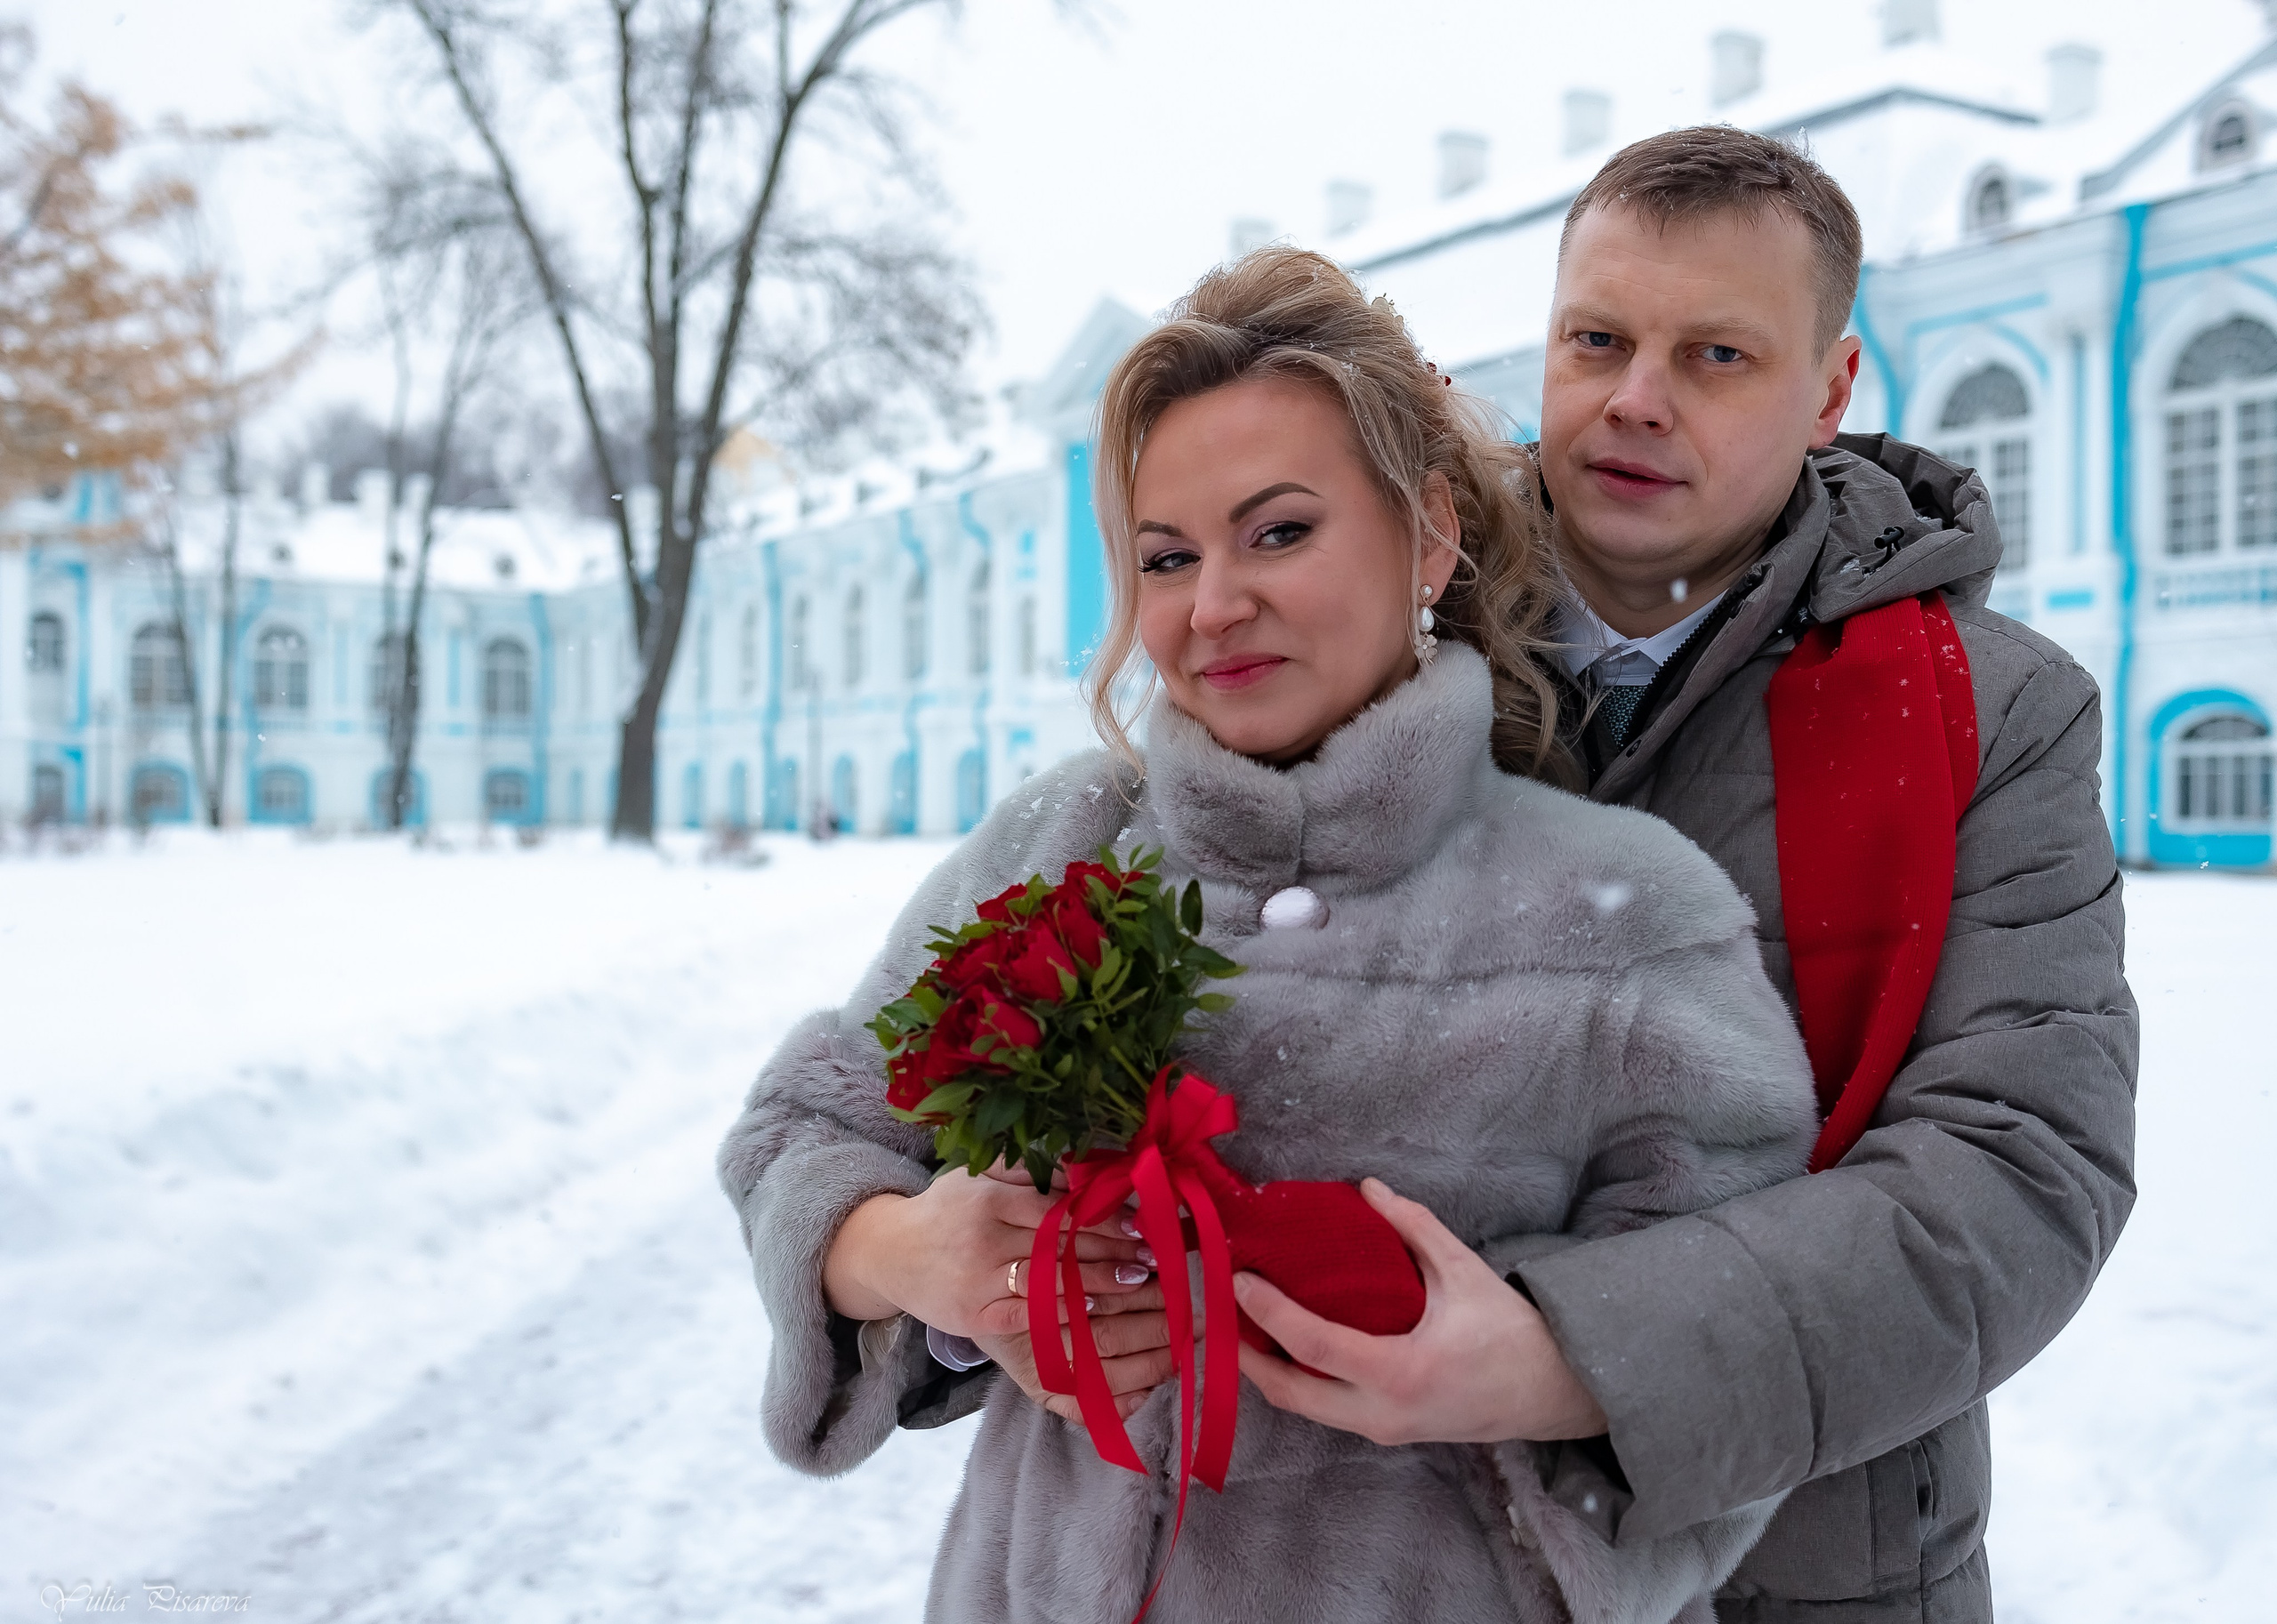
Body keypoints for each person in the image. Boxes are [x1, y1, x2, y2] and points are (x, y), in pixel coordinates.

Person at [718, 247, 1825, 1622]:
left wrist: (1533, 1365)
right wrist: (920, 1253)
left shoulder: (1629, 918)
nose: (1211, 605)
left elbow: (1741, 1342)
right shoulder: (1056, 847)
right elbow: (793, 1135)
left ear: (1427, 532)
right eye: (1167, 556)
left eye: (1280, 531)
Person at [1405, 127, 2132, 1621]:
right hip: (1396, 1543)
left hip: (1805, 1565)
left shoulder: (1992, 715)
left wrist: (1578, 1356)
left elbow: (2016, 1168)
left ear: (1831, 392)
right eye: (1595, 338)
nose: (1635, 399)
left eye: (1717, 354)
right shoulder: (1375, 656)